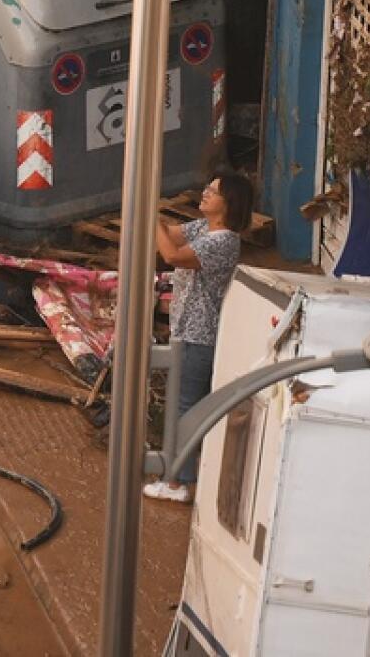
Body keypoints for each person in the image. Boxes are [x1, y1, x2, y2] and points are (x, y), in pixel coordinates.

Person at [144, 170, 252, 503]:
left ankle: (178, 482)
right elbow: (171, 235)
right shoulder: (204, 229)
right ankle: (176, 474)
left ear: (228, 203)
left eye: (212, 191)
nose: (204, 193)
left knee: (185, 407)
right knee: (182, 403)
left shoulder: (223, 241)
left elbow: (173, 255)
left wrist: (147, 212)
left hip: (199, 335)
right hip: (186, 330)